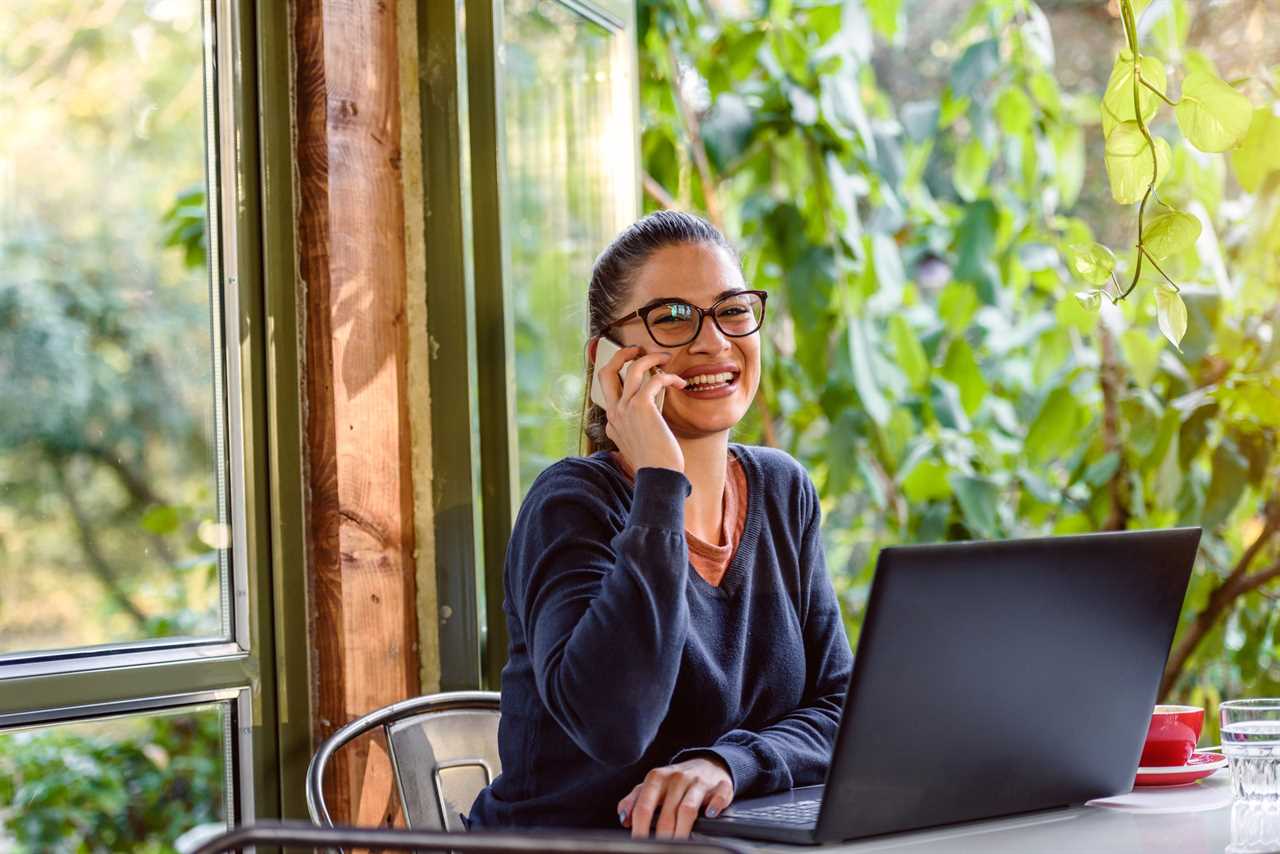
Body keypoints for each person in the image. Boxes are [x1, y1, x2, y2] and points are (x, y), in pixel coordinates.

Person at [467, 210, 853, 839]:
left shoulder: (783, 491)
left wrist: (728, 765)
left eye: (732, 309)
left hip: (732, 844)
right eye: (671, 317)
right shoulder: (571, 505)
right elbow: (616, 726)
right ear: (607, 360)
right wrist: (660, 489)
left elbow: (843, 710)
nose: (714, 342)